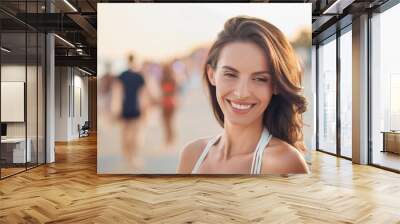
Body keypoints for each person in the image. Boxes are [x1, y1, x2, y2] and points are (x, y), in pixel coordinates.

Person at [177, 16, 309, 174]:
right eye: (231, 75)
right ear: (212, 74)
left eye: (260, 78)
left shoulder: (284, 162)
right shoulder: (192, 154)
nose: (242, 93)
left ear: (275, 86)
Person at [116, 54, 146, 165]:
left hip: (124, 108)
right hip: (136, 108)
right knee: (135, 134)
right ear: (135, 61)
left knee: (125, 134)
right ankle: (133, 157)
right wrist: (144, 110)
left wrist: (117, 109)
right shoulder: (139, 76)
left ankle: (126, 156)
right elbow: (143, 96)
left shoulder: (122, 75)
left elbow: (117, 94)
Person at [160, 63, 179, 147]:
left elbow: (161, 92)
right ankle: (171, 140)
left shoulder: (162, 80)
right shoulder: (173, 79)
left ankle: (168, 140)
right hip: (171, 103)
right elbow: (175, 93)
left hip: (165, 103)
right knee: (171, 123)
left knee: (166, 123)